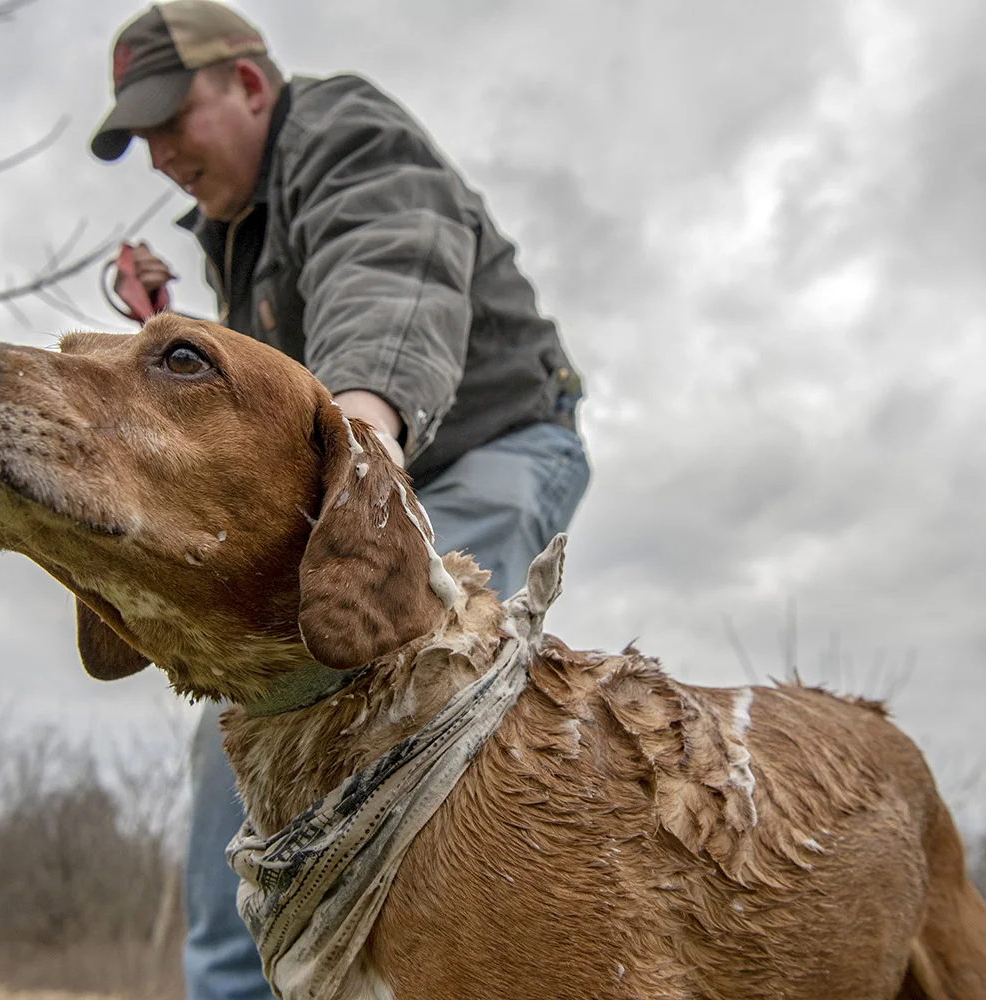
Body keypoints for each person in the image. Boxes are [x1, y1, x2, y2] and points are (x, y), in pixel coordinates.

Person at [90, 3, 590, 998]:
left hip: (494, 441)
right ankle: (245, 981)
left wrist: (364, 437)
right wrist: (167, 320)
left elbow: (390, 256)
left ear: (248, 85)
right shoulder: (240, 238)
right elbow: (255, 399)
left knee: (408, 675)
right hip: (367, 476)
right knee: (248, 710)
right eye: (141, 138)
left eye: (170, 119)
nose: (158, 155)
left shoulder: (346, 132)